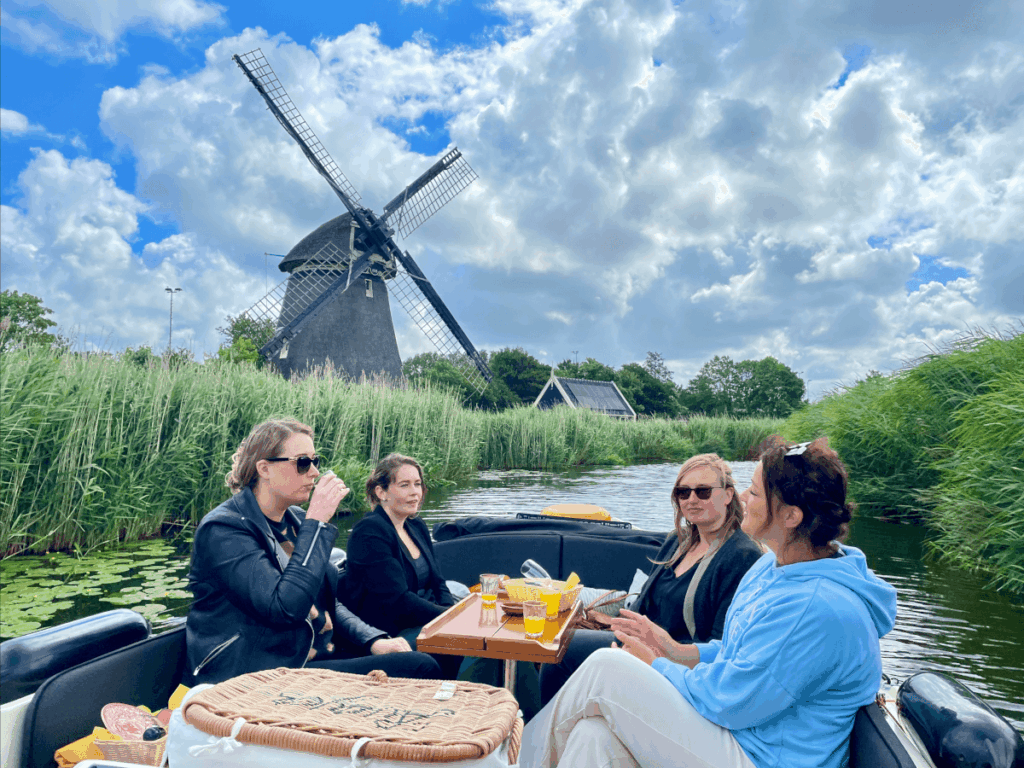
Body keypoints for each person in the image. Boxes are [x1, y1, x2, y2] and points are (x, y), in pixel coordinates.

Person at [520, 438, 898, 768]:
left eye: (754, 492)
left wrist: (656, 663)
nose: (745, 500)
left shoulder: (815, 608)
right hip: (740, 734)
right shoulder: (776, 566)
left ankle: (515, 762)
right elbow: (740, 653)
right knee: (593, 736)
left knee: (607, 667)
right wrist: (679, 651)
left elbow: (730, 701)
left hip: (762, 756)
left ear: (791, 516)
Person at [185, 419, 441, 685]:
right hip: (263, 672)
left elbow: (326, 603)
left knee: (437, 653)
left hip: (312, 657)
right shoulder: (225, 530)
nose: (314, 472)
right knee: (420, 667)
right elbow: (284, 608)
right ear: (265, 469)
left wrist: (372, 639)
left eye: (315, 461)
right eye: (302, 462)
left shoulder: (295, 520)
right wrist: (317, 523)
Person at [539, 453, 763, 705]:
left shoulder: (741, 556)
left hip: (676, 663)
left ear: (728, 495)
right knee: (555, 643)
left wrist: (654, 652)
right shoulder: (680, 541)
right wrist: (624, 637)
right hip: (637, 643)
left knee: (562, 652)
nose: (692, 499)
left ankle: (548, 739)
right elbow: (642, 604)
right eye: (683, 492)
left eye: (703, 491)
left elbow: (721, 645)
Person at [343, 453, 461, 676]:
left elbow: (438, 581)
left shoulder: (415, 525)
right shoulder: (369, 532)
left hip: (421, 619)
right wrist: (448, 620)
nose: (415, 492)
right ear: (381, 492)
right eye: (404, 485)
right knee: (462, 643)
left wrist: (449, 613)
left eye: (417, 484)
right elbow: (398, 601)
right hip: (390, 631)